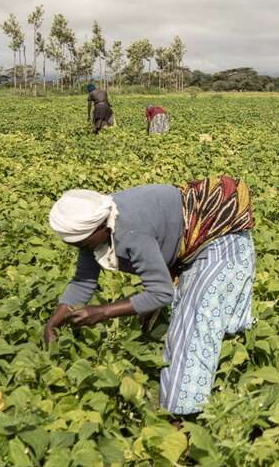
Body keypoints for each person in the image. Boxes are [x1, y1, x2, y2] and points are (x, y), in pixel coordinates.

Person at [43, 176, 256, 416]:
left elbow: (161, 292)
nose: (79, 249)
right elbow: (83, 281)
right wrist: (53, 323)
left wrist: (102, 311)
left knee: (195, 324)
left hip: (219, 238)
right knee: (181, 317)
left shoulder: (130, 231)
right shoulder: (96, 230)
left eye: (81, 243)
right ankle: (198, 387)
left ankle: (182, 418)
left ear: (102, 228)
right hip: (188, 243)